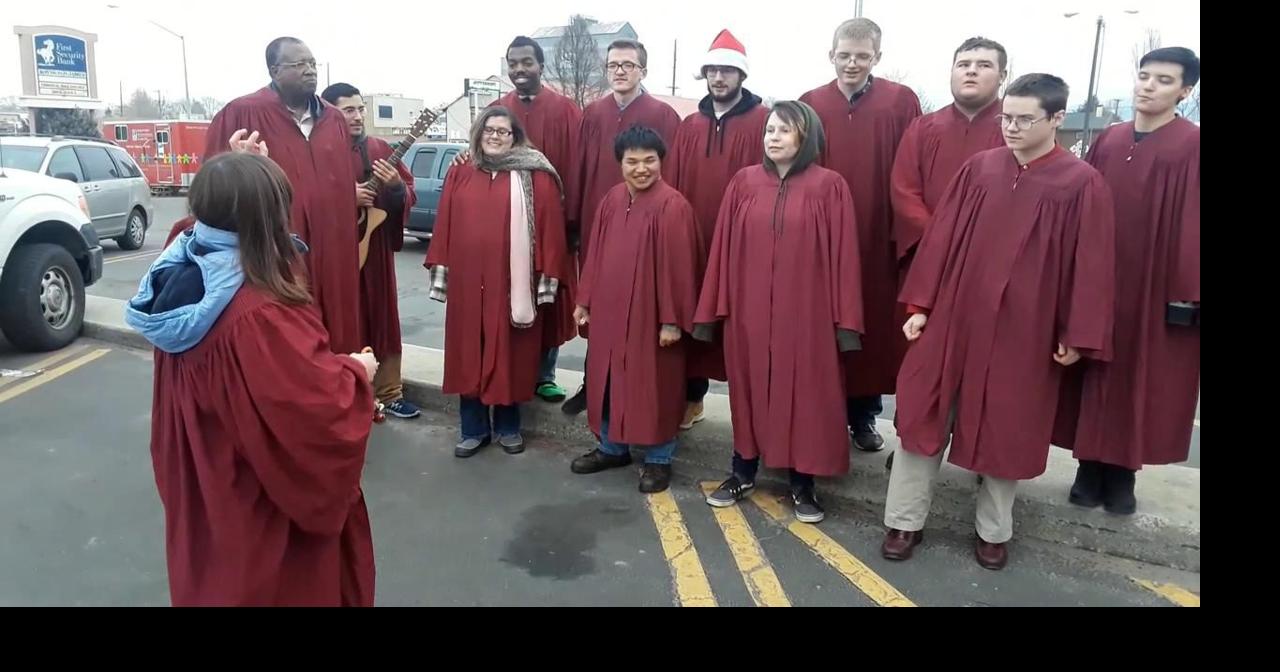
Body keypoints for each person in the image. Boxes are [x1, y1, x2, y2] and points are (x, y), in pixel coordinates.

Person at [882, 74, 1116, 570]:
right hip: (955, 319)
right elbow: (940, 240)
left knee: (1007, 425)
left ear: (1057, 119)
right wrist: (921, 306)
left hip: (1024, 331)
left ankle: (994, 531)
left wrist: (1076, 333)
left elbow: (1092, 265)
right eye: (1006, 116)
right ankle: (903, 521)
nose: (1010, 127)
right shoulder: (979, 169)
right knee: (923, 415)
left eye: (1024, 119)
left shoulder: (1080, 184)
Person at [126, 152, 378, 606]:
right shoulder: (257, 314)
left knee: (214, 577)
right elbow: (316, 411)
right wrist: (357, 373)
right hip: (255, 495)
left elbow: (200, 225)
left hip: (206, 475)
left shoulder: (181, 262)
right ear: (269, 216)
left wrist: (238, 174)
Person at [697, 101, 864, 524]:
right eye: (770, 129)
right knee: (748, 390)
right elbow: (723, 247)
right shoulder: (744, 182)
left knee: (805, 394)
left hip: (806, 313)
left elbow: (844, 257)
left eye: (784, 131)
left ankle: (802, 481)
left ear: (806, 138)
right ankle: (742, 471)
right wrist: (714, 308)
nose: (772, 137)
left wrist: (845, 321)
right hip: (749, 310)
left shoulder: (830, 186)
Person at [1053, 47, 1201, 515]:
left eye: (1163, 79)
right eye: (1143, 76)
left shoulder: (1191, 146)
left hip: (1155, 283)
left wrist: (1187, 292)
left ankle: (1122, 474)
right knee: (1090, 367)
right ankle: (1087, 466)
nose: (1148, 86)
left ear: (1186, 90)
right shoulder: (1111, 140)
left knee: (1140, 375)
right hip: (1099, 279)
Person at [884, 36, 1008, 470]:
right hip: (926, 266)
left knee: (984, 363)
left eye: (983, 65)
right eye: (964, 64)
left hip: (990, 269)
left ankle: (978, 452)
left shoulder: (1011, 130)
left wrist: (973, 245)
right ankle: (909, 441)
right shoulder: (924, 128)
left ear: (1002, 76)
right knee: (917, 358)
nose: (971, 71)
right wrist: (941, 240)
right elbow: (903, 190)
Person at [800, 18, 921, 452]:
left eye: (862, 56)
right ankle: (823, 413)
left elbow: (913, 166)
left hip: (875, 233)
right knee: (824, 321)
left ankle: (864, 417)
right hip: (821, 233)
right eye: (845, 55)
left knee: (869, 325)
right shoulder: (811, 102)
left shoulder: (900, 102)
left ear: (877, 58)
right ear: (831, 54)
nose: (852, 63)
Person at [199, 37, 363, 354]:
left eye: (313, 64)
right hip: (275, 253)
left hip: (335, 255)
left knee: (338, 338)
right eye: (299, 64)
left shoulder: (334, 120)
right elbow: (210, 192)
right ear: (275, 70)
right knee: (286, 344)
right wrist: (234, 162)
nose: (309, 71)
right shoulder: (241, 114)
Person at [424, 107, 571, 458]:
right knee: (468, 353)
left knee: (512, 354)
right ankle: (473, 430)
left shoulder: (535, 174)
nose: (495, 136)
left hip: (512, 284)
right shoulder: (462, 170)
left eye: (503, 131)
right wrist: (442, 267)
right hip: (467, 283)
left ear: (515, 137)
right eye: (489, 129)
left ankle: (508, 427)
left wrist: (547, 275)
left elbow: (550, 228)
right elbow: (444, 221)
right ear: (478, 132)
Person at [569, 126, 701, 493]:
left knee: (654, 385)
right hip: (611, 312)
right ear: (620, 163)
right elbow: (594, 252)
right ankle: (612, 447)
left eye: (649, 160)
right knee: (609, 380)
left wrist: (672, 320)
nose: (641, 168)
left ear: (661, 161)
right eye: (632, 161)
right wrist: (585, 299)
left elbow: (680, 269)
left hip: (650, 316)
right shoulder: (612, 199)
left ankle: (659, 459)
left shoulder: (673, 206)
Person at [562, 38, 681, 416]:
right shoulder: (593, 113)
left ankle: (632, 397)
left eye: (628, 65)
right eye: (613, 64)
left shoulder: (662, 114)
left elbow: (671, 174)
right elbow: (579, 168)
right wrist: (575, 220)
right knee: (596, 313)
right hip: (601, 227)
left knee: (641, 318)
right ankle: (591, 383)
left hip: (647, 231)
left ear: (643, 70)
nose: (620, 71)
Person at [664, 28, 769, 430]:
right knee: (692, 320)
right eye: (713, 71)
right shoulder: (690, 126)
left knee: (741, 326)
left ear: (741, 75)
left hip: (744, 243)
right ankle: (693, 398)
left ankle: (753, 411)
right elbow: (672, 183)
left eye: (727, 71)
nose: (719, 78)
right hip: (695, 240)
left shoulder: (763, 122)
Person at [322, 82, 421, 420]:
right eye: (348, 109)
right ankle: (347, 391)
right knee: (341, 319)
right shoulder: (319, 150)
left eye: (360, 108)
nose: (358, 116)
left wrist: (394, 186)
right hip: (334, 255)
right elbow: (299, 198)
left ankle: (390, 391)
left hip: (374, 251)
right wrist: (343, 199)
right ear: (330, 111)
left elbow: (407, 193)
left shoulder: (379, 147)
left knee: (383, 318)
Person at [496, 36, 585, 404]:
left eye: (526, 62)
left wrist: (572, 222)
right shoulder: (498, 110)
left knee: (548, 298)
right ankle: (514, 371)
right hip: (509, 225)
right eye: (512, 63)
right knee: (511, 297)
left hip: (554, 227)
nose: (519, 70)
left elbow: (578, 169)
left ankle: (545, 374)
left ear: (541, 65)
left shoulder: (566, 111)